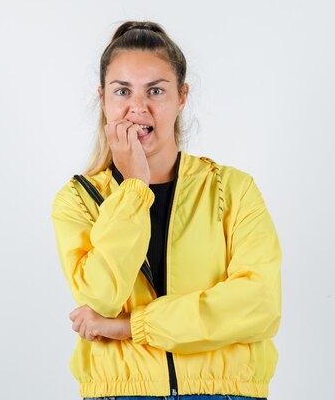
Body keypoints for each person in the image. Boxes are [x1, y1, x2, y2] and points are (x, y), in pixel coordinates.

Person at [50, 21, 282, 400]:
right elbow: (102, 298)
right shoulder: (78, 200)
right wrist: (135, 189)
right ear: (103, 98)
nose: (138, 107)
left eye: (155, 90)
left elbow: (259, 305)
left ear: (182, 96)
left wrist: (131, 326)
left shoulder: (233, 190)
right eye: (122, 90)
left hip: (226, 393)